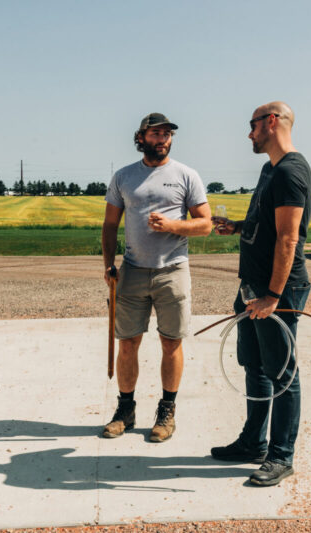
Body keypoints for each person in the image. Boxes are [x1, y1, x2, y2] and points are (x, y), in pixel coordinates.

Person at [209, 101, 311, 486]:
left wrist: (273, 295)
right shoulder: (269, 169)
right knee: (254, 365)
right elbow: (267, 226)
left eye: (252, 125)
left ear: (271, 122)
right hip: (253, 288)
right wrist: (237, 226)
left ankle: (281, 456)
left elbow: (288, 238)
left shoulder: (290, 171)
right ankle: (253, 441)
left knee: (283, 373)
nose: (249, 133)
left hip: (276, 293)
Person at [101, 112, 211, 442]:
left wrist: (173, 226)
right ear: (141, 138)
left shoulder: (186, 175)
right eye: (156, 133)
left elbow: (205, 224)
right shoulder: (123, 177)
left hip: (173, 270)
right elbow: (109, 225)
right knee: (128, 343)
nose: (162, 138)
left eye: (167, 134)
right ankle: (125, 410)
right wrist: (109, 265)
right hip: (132, 270)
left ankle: (167, 412)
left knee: (171, 342)